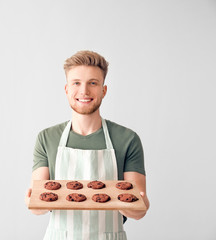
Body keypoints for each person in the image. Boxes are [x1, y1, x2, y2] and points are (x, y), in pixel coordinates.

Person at [25, 50, 150, 240]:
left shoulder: (127, 139)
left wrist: (135, 204)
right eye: (76, 83)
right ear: (66, 89)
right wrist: (32, 202)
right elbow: (39, 203)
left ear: (103, 90)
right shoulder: (47, 138)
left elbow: (139, 210)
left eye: (93, 83)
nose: (84, 91)